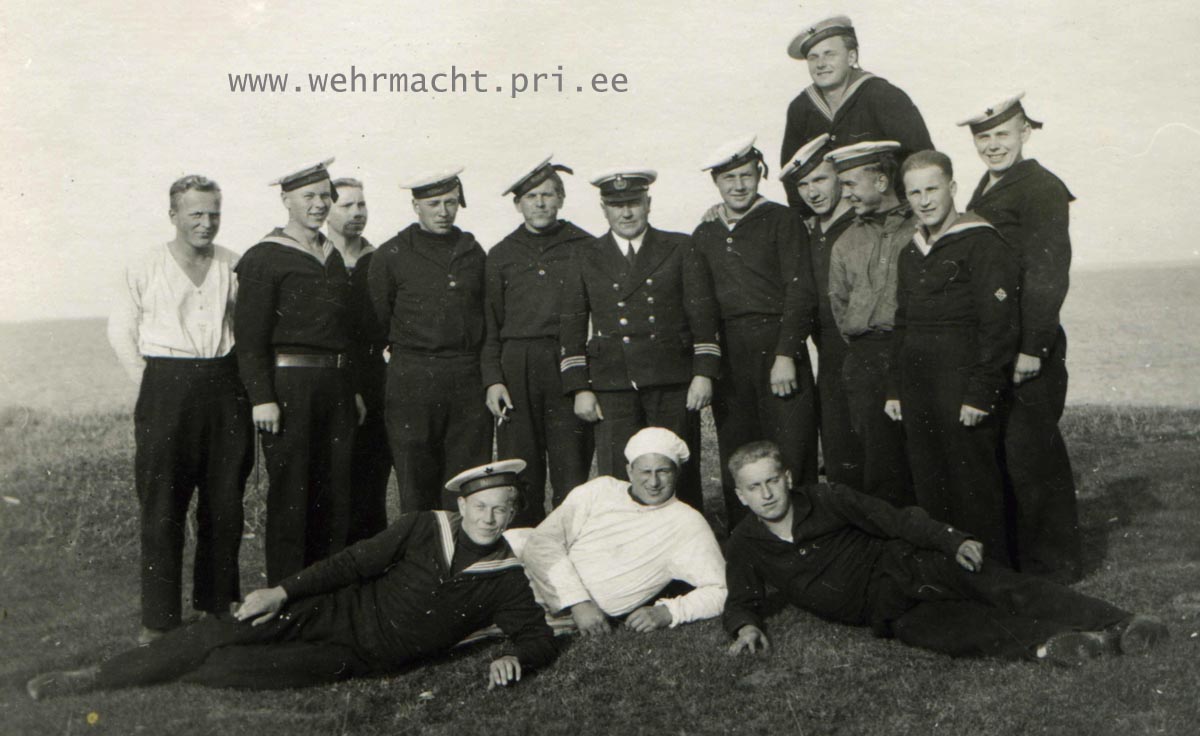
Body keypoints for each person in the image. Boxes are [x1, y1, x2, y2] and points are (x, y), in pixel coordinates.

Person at [26, 460, 557, 700]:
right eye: (480, 506)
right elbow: (350, 564)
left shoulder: (506, 578)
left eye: (501, 509)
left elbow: (536, 635)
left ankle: (171, 666)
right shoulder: (424, 526)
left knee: (237, 670)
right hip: (334, 609)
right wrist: (280, 592)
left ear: (514, 513)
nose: (489, 518)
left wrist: (516, 657)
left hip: (359, 657)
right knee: (228, 627)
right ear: (462, 505)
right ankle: (94, 677)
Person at [722, 441, 1168, 666]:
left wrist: (952, 540)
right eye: (754, 487)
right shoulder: (745, 542)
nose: (767, 494)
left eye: (772, 481)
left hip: (909, 565)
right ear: (741, 495)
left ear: (787, 478)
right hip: (885, 611)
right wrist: (745, 626)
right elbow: (741, 596)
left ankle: (1122, 623)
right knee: (960, 631)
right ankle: (1059, 644)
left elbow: (895, 519)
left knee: (1003, 587)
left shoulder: (827, 498)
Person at [106, 174, 254, 644]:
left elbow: (245, 329)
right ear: (174, 215)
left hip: (224, 385)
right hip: (165, 386)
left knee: (224, 501)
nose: (206, 223)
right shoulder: (144, 265)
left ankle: (218, 605)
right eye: (195, 214)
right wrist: (153, 387)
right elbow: (121, 332)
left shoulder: (234, 264)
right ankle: (159, 620)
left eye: (213, 214)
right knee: (162, 505)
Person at [960, 93, 1081, 582]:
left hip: (1028, 346)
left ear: (1025, 132)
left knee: (1034, 456)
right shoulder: (989, 186)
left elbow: (1049, 273)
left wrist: (1034, 346)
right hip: (999, 342)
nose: (993, 145)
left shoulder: (1042, 187)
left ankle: (1055, 566)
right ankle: (1021, 558)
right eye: (984, 137)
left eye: (1002, 134)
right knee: (1008, 453)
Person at [234, 158, 366, 585]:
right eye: (308, 196)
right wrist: (261, 397)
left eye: (325, 196)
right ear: (286, 200)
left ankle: (329, 593)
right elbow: (249, 338)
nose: (319, 204)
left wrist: (353, 389)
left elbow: (343, 333)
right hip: (289, 389)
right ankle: (288, 598)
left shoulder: (331, 255)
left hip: (336, 387)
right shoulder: (264, 257)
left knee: (337, 491)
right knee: (293, 495)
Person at [885, 151, 1019, 564]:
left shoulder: (982, 242)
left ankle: (992, 574)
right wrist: (895, 388)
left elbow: (999, 326)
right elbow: (903, 323)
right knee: (930, 481)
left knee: (974, 482)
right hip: (918, 385)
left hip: (962, 383)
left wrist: (981, 392)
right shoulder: (910, 252)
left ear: (953, 188)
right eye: (915, 193)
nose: (924, 201)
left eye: (932, 189)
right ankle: (948, 573)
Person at [558, 169, 720, 508]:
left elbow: (702, 316)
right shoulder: (585, 255)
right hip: (613, 382)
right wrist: (579, 387)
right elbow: (572, 325)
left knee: (678, 471)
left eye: (633, 203)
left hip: (671, 380)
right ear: (604, 209)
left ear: (648, 203)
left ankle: (684, 536)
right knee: (619, 476)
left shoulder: (679, 247)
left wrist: (703, 372)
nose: (626, 213)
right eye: (617, 206)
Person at [692, 135, 819, 530]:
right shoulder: (705, 232)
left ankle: (806, 536)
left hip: (777, 344)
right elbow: (701, 303)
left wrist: (786, 354)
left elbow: (800, 291)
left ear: (758, 174)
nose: (738, 186)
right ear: (716, 182)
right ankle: (748, 543)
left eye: (746, 175)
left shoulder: (782, 220)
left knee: (791, 449)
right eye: (728, 178)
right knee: (739, 451)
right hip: (731, 353)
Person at [517, 427, 726, 635]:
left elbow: (721, 590)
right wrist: (578, 602)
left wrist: (668, 612)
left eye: (663, 471)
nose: (654, 482)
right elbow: (542, 541)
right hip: (537, 574)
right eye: (645, 472)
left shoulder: (687, 522)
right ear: (629, 472)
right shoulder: (601, 489)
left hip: (559, 612)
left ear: (677, 473)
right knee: (514, 539)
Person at [369, 167, 493, 512]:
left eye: (451, 202)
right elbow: (379, 321)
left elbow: (485, 316)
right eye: (434, 204)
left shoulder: (472, 252)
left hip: (466, 378)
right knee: (416, 481)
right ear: (416, 206)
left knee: (467, 481)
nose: (443, 212)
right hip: (413, 379)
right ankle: (422, 546)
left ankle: (461, 546)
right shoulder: (392, 254)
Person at [483, 156, 595, 525]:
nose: (540, 203)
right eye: (531, 197)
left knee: (571, 466)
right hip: (517, 365)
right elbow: (490, 324)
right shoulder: (501, 254)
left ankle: (571, 542)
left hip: (567, 362)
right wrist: (494, 379)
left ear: (561, 198)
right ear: (518, 204)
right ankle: (523, 544)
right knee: (521, 469)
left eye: (548, 194)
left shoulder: (585, 246)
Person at [826, 141, 916, 506]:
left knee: (924, 454)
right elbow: (840, 303)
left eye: (851, 184)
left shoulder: (920, 228)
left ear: (880, 181)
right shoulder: (845, 241)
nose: (845, 194)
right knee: (879, 462)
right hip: (865, 359)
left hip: (912, 353)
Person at [779, 15, 933, 215]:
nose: (820, 64)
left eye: (829, 54)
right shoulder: (800, 108)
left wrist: (908, 214)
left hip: (887, 216)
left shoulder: (883, 95)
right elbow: (793, 174)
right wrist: (805, 220)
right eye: (813, 57)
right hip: (830, 221)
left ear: (851, 57)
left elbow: (922, 160)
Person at [785, 134, 863, 489]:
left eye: (820, 179)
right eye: (803, 184)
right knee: (838, 451)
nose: (812, 192)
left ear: (841, 178)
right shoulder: (807, 230)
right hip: (829, 356)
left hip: (865, 350)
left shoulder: (863, 223)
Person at [326, 177, 392, 544]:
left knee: (371, 476)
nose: (356, 213)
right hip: (329, 376)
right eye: (346, 205)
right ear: (326, 210)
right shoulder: (315, 258)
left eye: (361, 205)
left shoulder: (379, 260)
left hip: (372, 376)